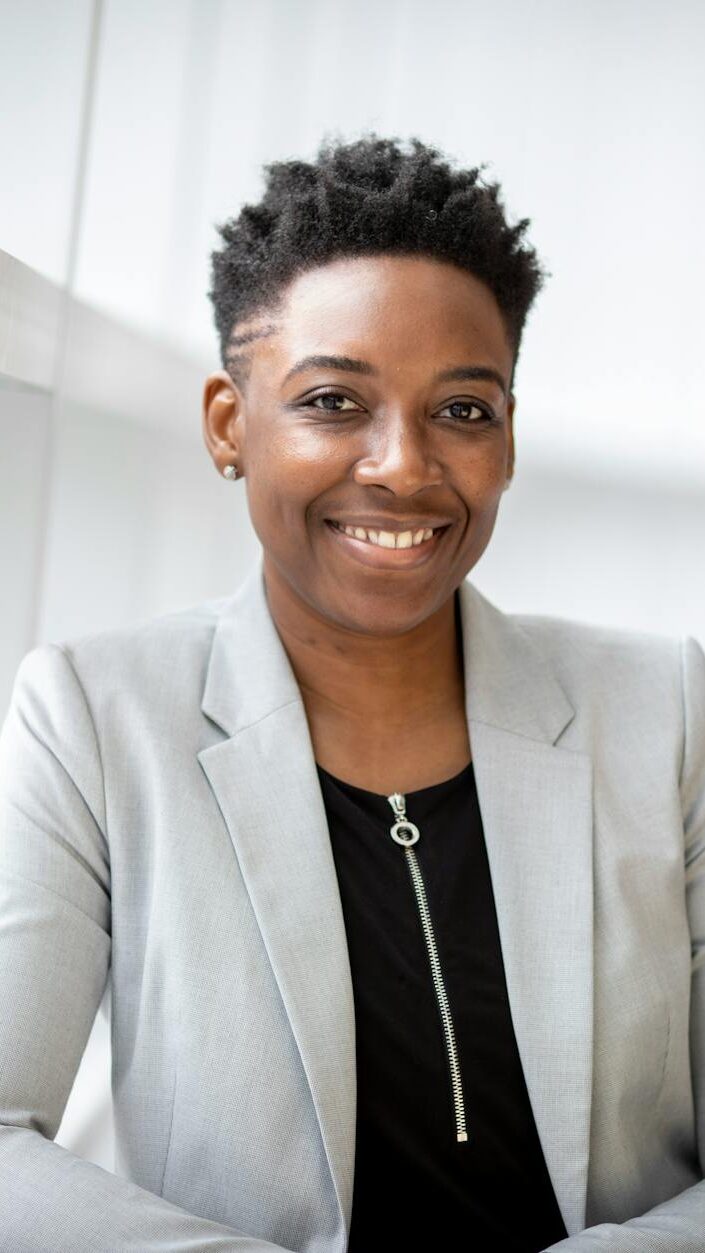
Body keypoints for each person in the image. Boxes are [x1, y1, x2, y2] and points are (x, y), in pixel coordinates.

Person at [0, 133, 703, 1253]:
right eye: (333, 401)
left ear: (509, 438)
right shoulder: (94, 713)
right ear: (231, 426)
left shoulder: (667, 707)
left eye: (463, 410)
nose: (403, 467)